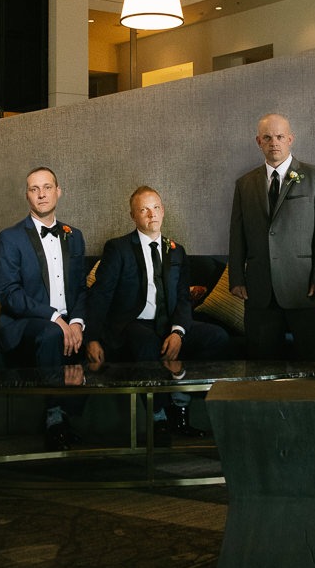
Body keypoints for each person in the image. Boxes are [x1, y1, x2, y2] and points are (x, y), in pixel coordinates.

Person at [86, 186, 231, 438]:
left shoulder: (176, 251)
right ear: (133, 216)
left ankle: (181, 407)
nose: (151, 214)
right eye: (143, 209)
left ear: (163, 211)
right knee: (147, 344)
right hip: (133, 323)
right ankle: (159, 418)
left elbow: (184, 300)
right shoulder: (118, 248)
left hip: (169, 324)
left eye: (155, 208)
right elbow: (101, 294)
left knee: (217, 338)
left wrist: (178, 332)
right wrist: (92, 337)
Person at [0, 167, 89, 450]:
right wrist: (56, 318)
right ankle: (54, 417)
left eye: (47, 187)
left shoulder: (75, 235)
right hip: (26, 324)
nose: (41, 194)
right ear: (27, 196)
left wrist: (78, 323)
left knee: (99, 336)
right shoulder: (9, 238)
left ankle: (72, 415)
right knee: (51, 334)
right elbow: (8, 294)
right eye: (34, 189)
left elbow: (81, 288)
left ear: (59, 191)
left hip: (67, 321)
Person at [227, 113, 315, 363]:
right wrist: (236, 277)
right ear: (258, 142)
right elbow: (237, 234)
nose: (273, 142)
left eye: (279, 136)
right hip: (260, 289)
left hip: (305, 288)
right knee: (261, 368)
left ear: (290, 139)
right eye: (267, 137)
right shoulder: (244, 184)